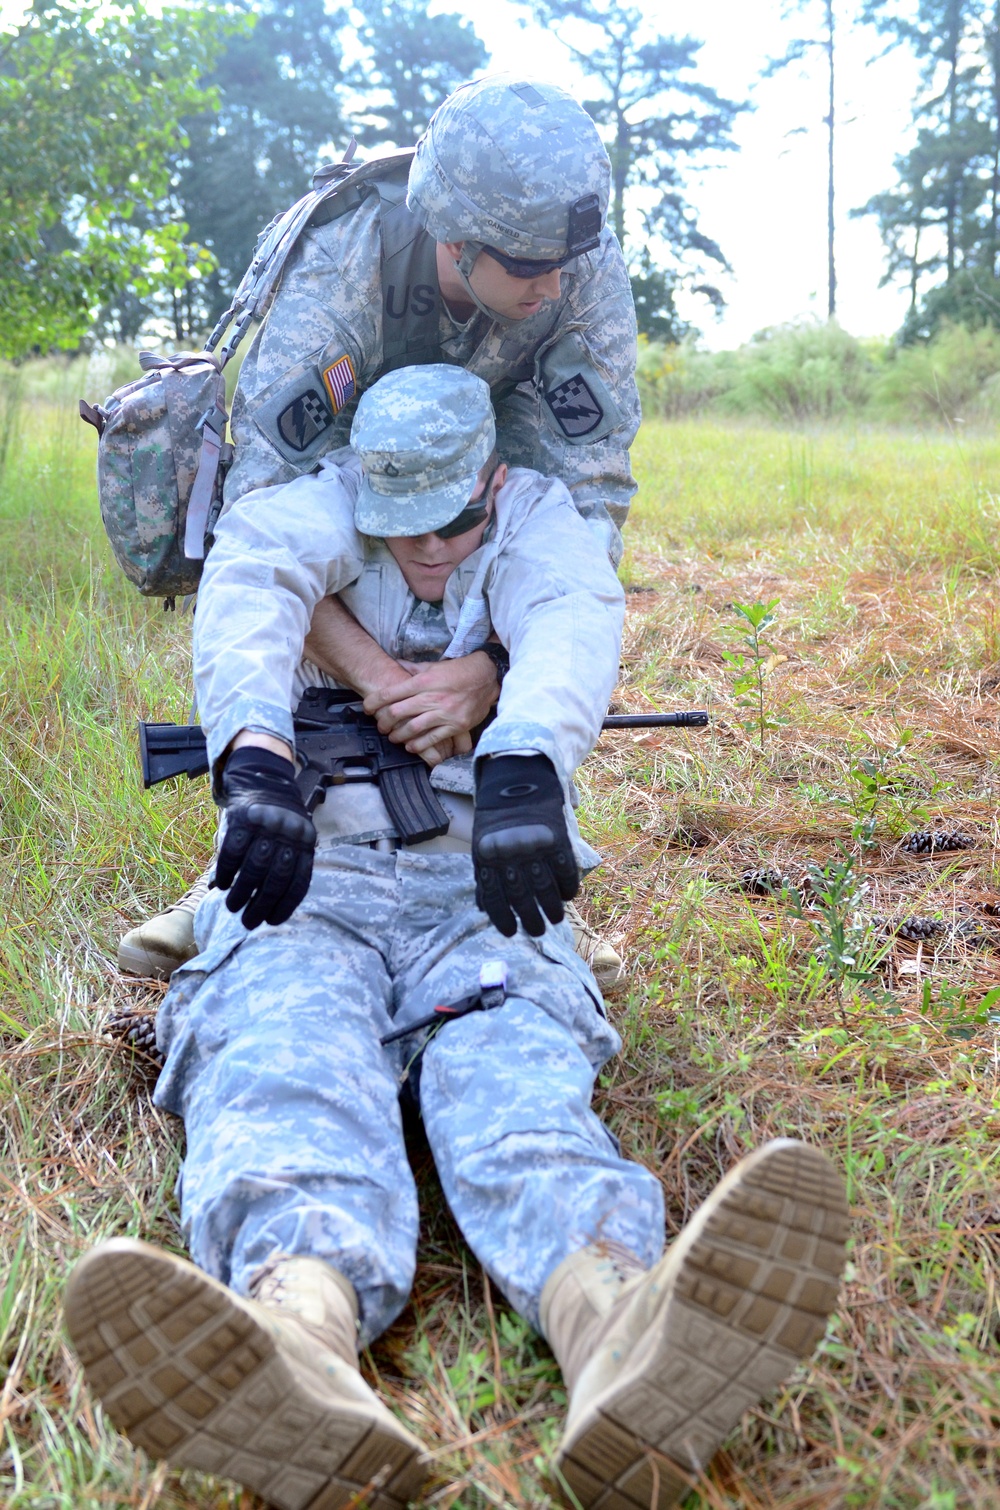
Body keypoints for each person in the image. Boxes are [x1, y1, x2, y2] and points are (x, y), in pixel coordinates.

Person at [69, 367, 849, 1510]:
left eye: (455, 524)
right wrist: (255, 753)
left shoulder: (535, 515)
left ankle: (617, 1329)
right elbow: (251, 578)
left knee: (518, 1078)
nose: (431, 553)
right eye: (402, 532)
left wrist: (526, 754)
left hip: (482, 884)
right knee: (283, 1056)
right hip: (309, 874)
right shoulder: (324, 499)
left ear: (491, 478)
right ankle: (298, 1340)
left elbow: (570, 611)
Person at [117, 71, 641, 991]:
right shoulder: (341, 271)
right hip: (351, 475)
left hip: (493, 458)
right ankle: (242, 881)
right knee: (335, 582)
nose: (553, 286)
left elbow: (586, 505)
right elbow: (260, 535)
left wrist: (485, 678)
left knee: (500, 562)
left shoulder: (572, 262)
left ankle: (519, 898)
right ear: (455, 237)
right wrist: (384, 679)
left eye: (563, 264)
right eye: (526, 268)